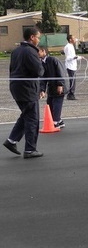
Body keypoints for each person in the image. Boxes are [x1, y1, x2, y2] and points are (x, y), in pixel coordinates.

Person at [3, 27, 45, 159]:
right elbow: (39, 71)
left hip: (16, 87)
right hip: (27, 89)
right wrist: (41, 59)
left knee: (26, 114)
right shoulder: (31, 52)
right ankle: (30, 149)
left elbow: (12, 69)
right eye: (38, 37)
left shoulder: (16, 51)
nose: (39, 40)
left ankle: (11, 141)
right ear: (32, 37)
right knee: (32, 118)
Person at [39, 47, 67, 129]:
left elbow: (61, 72)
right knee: (49, 102)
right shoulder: (41, 63)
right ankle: (60, 121)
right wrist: (42, 90)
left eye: (38, 51)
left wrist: (60, 84)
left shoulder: (53, 60)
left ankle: (56, 121)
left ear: (43, 51)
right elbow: (43, 78)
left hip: (60, 85)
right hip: (51, 86)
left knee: (57, 103)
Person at [64, 34, 84, 100]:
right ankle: (70, 94)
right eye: (73, 38)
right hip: (70, 66)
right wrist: (77, 57)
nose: (75, 39)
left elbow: (73, 56)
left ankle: (71, 94)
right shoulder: (68, 47)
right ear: (70, 39)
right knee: (72, 81)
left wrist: (79, 57)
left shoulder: (70, 46)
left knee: (73, 80)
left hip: (72, 66)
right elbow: (69, 58)